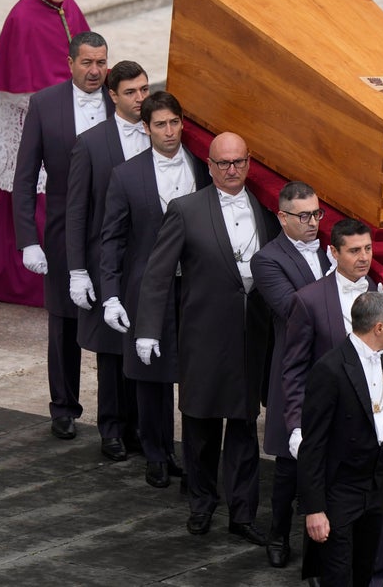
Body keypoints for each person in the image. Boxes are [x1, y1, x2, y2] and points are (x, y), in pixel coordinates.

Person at [133, 132, 278, 545]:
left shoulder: (266, 211)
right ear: (209, 166)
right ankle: (201, 503)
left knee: (245, 429)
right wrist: (147, 330)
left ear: (249, 162)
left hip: (252, 336)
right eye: (222, 164)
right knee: (199, 427)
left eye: (238, 162)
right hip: (203, 337)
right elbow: (158, 274)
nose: (231, 171)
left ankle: (243, 512)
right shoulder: (186, 209)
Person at [281, 218, 383, 585]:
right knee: (336, 567)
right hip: (338, 463)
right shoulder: (310, 305)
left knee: (371, 562)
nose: (364, 258)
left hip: (374, 471)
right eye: (354, 250)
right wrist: (297, 428)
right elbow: (295, 372)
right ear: (334, 252)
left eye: (368, 249)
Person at [0, 0, 90, 307]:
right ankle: (33, 285)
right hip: (35, 120)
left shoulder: (66, 5)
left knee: (33, 199)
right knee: (36, 198)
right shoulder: (23, 17)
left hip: (63, 112)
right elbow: (19, 87)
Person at [99, 90, 210, 487]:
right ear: (145, 128)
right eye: (160, 124)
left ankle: (197, 458)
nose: (169, 131)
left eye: (174, 122)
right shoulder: (126, 175)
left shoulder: (202, 168)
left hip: (197, 286)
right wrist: (110, 294)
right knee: (152, 377)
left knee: (196, 372)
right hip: (148, 290)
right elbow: (111, 239)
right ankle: (157, 455)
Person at [13, 31, 113, 440]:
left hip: (111, 228)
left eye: (101, 63)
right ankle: (64, 406)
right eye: (87, 63)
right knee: (63, 324)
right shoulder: (44, 104)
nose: (95, 71)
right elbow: (23, 179)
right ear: (70, 62)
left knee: (112, 318)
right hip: (59, 230)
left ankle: (116, 417)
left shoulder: (121, 101)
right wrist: (28, 239)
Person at [64, 60, 148, 461]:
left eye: (144, 90)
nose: (139, 99)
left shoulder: (161, 135)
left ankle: (140, 428)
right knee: (112, 351)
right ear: (112, 96)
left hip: (148, 262)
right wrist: (78, 269)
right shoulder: (91, 143)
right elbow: (77, 212)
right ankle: (111, 428)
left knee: (144, 343)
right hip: (107, 262)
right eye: (130, 92)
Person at [298, 291, 383, 587]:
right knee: (337, 576)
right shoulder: (329, 370)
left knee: (365, 571)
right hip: (340, 493)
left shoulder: (382, 357)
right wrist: (314, 509)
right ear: (378, 328)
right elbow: (313, 446)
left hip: (375, 487)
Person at [249, 181, 331, 569]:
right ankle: (278, 533)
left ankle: (322, 543)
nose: (313, 222)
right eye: (303, 216)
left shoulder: (333, 249)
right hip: (295, 370)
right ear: (282, 217)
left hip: (333, 369)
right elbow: (290, 309)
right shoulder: (268, 260)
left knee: (329, 460)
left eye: (316, 213)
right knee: (289, 464)